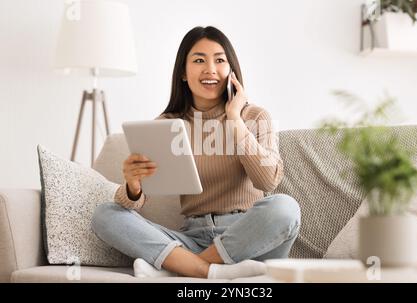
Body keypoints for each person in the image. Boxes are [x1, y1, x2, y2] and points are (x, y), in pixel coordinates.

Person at [91, 26, 301, 279]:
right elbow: (134, 202)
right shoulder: (166, 124)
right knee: (105, 215)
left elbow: (267, 180)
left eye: (220, 60)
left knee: (285, 207)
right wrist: (133, 185)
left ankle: (182, 267)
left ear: (232, 71)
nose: (210, 69)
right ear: (182, 72)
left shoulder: (255, 117)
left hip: (248, 239)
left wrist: (234, 119)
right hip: (192, 236)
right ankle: (211, 270)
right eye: (199, 60)